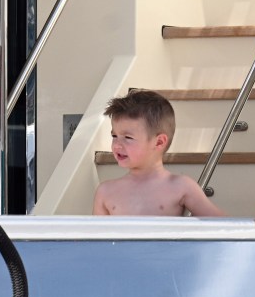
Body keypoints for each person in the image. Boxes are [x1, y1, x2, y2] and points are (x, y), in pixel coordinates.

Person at [93, 89, 226, 217]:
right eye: (114, 136)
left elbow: (224, 226)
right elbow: (95, 238)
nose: (116, 144)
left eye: (128, 138)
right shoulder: (106, 192)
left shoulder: (180, 186)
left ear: (159, 142)